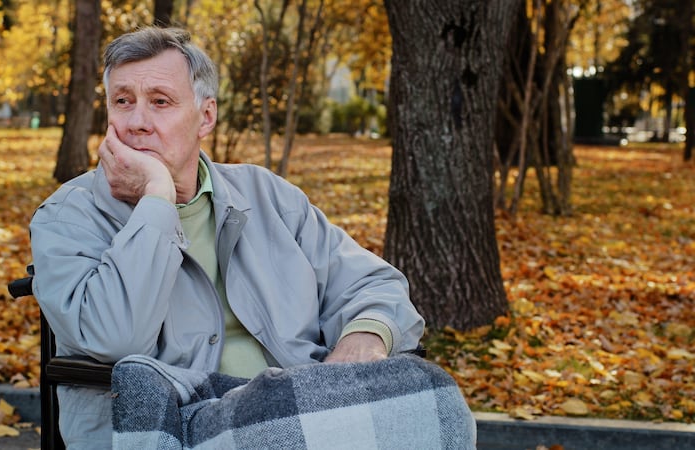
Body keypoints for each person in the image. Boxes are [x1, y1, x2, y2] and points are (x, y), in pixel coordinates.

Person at [30, 27, 466, 449]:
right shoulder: (68, 216)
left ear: (206, 117)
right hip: (174, 423)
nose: (137, 122)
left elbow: (374, 285)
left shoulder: (266, 195)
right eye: (122, 102)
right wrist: (157, 201)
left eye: (160, 102)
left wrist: (362, 342)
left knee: (436, 397)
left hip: (302, 413)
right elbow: (115, 338)